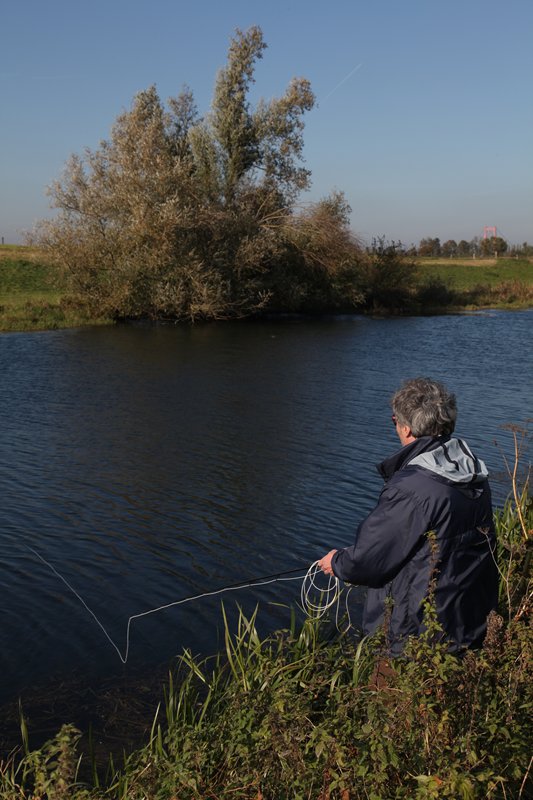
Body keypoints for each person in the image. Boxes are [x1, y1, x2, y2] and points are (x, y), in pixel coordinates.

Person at [318, 377, 498, 655]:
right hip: (466, 624)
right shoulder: (472, 472)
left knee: (395, 695)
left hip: (417, 638)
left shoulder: (412, 489)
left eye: (394, 422)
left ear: (405, 427)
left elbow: (368, 562)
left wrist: (338, 562)